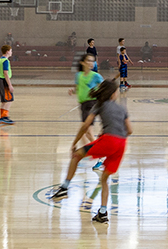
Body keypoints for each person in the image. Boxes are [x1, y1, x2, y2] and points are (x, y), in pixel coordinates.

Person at [50, 79, 132, 224]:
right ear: (113, 94)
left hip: (109, 140)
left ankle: (64, 187)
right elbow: (130, 130)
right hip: (121, 144)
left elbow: (85, 125)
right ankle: (102, 213)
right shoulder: (122, 108)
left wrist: (74, 143)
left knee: (76, 156)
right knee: (104, 179)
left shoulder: (99, 105)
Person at [69, 54, 103, 148]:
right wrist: (73, 91)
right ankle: (98, 149)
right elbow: (78, 89)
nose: (91, 63)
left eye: (92, 61)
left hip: (92, 103)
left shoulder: (96, 76)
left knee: (87, 130)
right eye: (88, 60)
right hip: (83, 105)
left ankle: (99, 151)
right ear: (82, 62)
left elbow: (105, 88)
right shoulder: (78, 75)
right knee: (87, 131)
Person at [0, 45, 15, 124]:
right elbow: (5, 73)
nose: (11, 52)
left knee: (4, 100)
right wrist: (10, 85)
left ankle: (2, 117)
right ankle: (4, 117)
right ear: (7, 51)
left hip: (0, 80)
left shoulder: (1, 59)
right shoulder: (5, 61)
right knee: (9, 99)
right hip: (4, 81)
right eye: (10, 50)